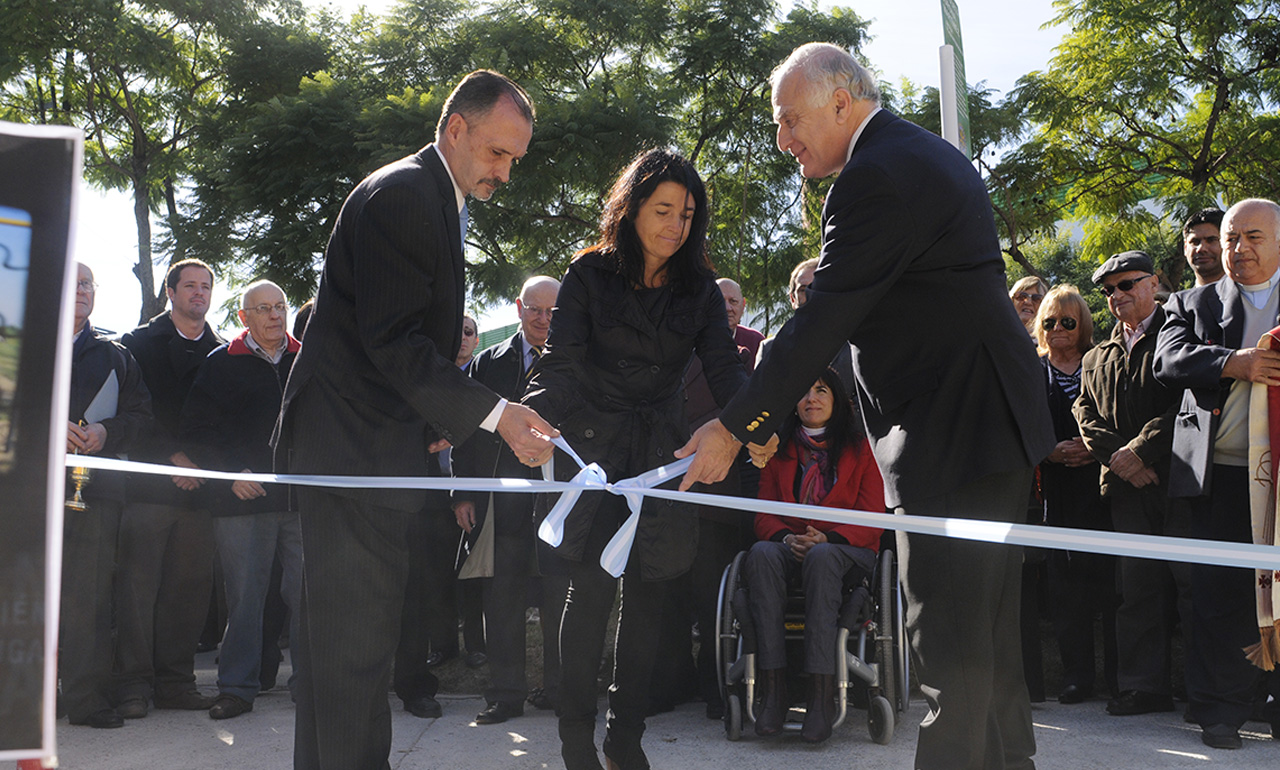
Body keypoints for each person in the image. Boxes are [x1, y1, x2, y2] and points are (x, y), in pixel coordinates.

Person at [678, 43, 1055, 770]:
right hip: (985, 432)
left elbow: (822, 319)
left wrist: (735, 426)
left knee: (948, 647)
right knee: (986, 646)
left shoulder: (875, 177)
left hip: (955, 437)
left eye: (791, 120)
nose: (784, 139)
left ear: (841, 103)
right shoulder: (911, 155)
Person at [273, 70, 558, 770]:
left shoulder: (431, 196)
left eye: (514, 159)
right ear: (455, 128)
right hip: (349, 453)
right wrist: (492, 413)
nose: (504, 172)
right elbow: (394, 340)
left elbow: (398, 347)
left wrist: (433, 418)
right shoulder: (405, 195)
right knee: (352, 650)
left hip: (368, 446)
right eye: (497, 153)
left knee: (351, 650)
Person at [523, 148, 747, 770]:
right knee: (587, 597)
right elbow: (560, 362)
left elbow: (725, 368)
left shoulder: (700, 288)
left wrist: (752, 425)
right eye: (663, 209)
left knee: (651, 602)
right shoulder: (589, 274)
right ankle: (575, 741)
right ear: (633, 207)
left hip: (661, 455)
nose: (675, 225)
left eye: (687, 213)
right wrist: (535, 416)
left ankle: (626, 739)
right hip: (592, 454)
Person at [1154, 198, 1280, 749]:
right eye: (1230, 238)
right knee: (1217, 596)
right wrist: (1237, 362)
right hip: (1222, 474)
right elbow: (1169, 360)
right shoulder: (1192, 302)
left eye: (1253, 237)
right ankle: (1219, 712)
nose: (1238, 249)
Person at [1074, 251, 1192, 720]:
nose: (1117, 296)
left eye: (1128, 285)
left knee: (1192, 588)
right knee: (1136, 592)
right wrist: (1122, 461)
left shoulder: (1179, 335)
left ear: (1154, 282)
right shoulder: (1095, 355)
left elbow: (1190, 401)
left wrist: (1141, 450)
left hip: (1177, 481)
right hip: (1125, 491)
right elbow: (1084, 415)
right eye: (1108, 290)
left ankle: (1205, 692)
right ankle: (1145, 689)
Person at [179, 280, 302, 720]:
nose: (274, 315)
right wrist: (231, 473)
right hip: (240, 502)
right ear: (243, 318)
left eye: (280, 306)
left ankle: (311, 687)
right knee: (245, 597)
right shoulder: (220, 363)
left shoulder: (306, 361)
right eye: (263, 308)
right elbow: (195, 431)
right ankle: (236, 689)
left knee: (306, 594)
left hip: (299, 502)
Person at [745, 367, 883, 743]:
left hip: (847, 552)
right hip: (789, 548)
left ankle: (822, 698)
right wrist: (788, 538)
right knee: (760, 553)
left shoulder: (862, 449)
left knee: (823, 559)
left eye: (821, 390)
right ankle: (773, 693)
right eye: (804, 392)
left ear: (836, 400)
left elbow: (873, 517)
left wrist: (828, 539)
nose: (812, 399)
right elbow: (763, 513)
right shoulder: (777, 449)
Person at [452, 275, 567, 724]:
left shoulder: (575, 363)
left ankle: (560, 691)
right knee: (501, 598)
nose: (542, 320)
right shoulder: (486, 363)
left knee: (561, 595)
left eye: (552, 313)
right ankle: (505, 695)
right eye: (534, 309)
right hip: (500, 501)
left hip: (559, 500)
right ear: (518, 307)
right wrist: (463, 494)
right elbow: (465, 434)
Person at [116, 258, 224, 718]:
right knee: (137, 592)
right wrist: (172, 458)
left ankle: (176, 683)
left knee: (189, 591)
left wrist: (202, 465)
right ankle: (133, 687)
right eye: (190, 286)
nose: (199, 294)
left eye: (206, 287)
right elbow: (132, 412)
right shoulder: (134, 345)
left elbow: (229, 421)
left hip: (200, 491)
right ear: (170, 292)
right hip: (146, 488)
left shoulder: (224, 350)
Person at [62, 264, 152, 729]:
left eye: (86, 283)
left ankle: (85, 699)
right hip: (22, 489)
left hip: (96, 495)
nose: (80, 290)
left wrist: (105, 431)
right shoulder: (15, 345)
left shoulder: (116, 355)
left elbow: (142, 415)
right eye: (70, 281)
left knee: (88, 598)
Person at [1032, 286, 1116, 705]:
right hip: (1056, 491)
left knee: (1112, 586)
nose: (1059, 329)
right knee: (1066, 592)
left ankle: (1120, 679)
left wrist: (1094, 448)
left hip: (1104, 487)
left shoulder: (1102, 362)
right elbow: (1019, 424)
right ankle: (1077, 678)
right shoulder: (1032, 369)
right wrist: (1046, 449)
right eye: (1050, 322)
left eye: (1068, 321)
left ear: (1082, 322)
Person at [756, 257, 853, 391]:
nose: (810, 295)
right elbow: (759, 401)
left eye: (817, 288)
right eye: (803, 290)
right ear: (792, 298)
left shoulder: (854, 348)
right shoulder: (770, 350)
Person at [716, 277, 764, 364]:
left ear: (743, 305)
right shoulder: (693, 342)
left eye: (733, 301)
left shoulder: (756, 342)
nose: (727, 308)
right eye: (720, 302)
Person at [1183, 208, 1225, 287]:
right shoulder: (1180, 299)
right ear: (1185, 248)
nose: (1201, 249)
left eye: (1211, 240)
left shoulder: (1249, 297)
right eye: (1195, 242)